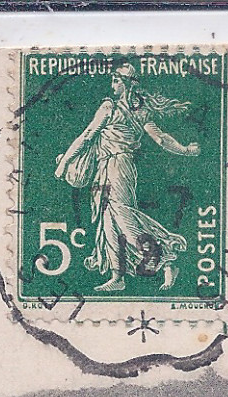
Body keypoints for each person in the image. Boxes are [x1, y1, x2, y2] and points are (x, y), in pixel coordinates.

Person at [54, 62, 199, 292]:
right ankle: (118, 276)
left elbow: (88, 135)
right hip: (108, 167)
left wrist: (64, 163)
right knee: (108, 222)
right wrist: (186, 150)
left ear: (128, 84)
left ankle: (166, 258)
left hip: (118, 166)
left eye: (116, 80)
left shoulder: (110, 108)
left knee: (123, 218)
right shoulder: (139, 111)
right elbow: (161, 139)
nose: (112, 84)